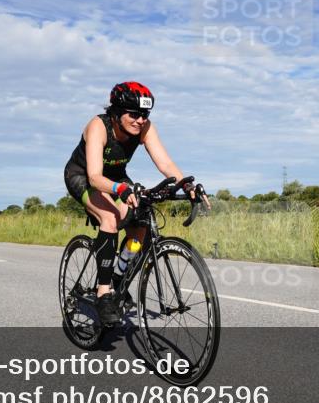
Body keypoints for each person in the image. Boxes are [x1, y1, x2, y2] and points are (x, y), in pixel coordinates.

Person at [63, 82, 209, 325]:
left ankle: (119, 278)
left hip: (118, 177)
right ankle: (103, 292)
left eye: (145, 115)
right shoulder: (99, 126)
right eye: (134, 114)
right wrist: (120, 189)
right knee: (109, 218)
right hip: (84, 176)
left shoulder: (145, 128)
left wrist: (187, 185)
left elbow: (165, 163)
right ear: (117, 112)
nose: (141, 120)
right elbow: (95, 177)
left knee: (139, 225)